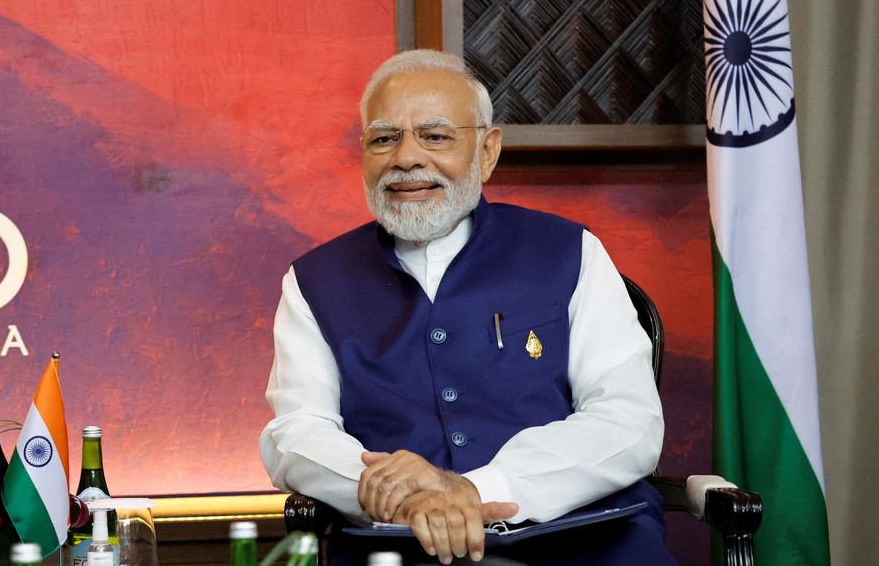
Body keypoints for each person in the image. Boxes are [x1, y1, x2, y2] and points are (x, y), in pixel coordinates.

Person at [259, 50, 672, 565]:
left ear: (488, 150)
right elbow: (296, 433)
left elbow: (628, 421)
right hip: (403, 549)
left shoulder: (569, 251)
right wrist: (399, 493)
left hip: (587, 542)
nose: (407, 158)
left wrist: (475, 490)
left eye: (435, 136)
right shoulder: (314, 280)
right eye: (385, 138)